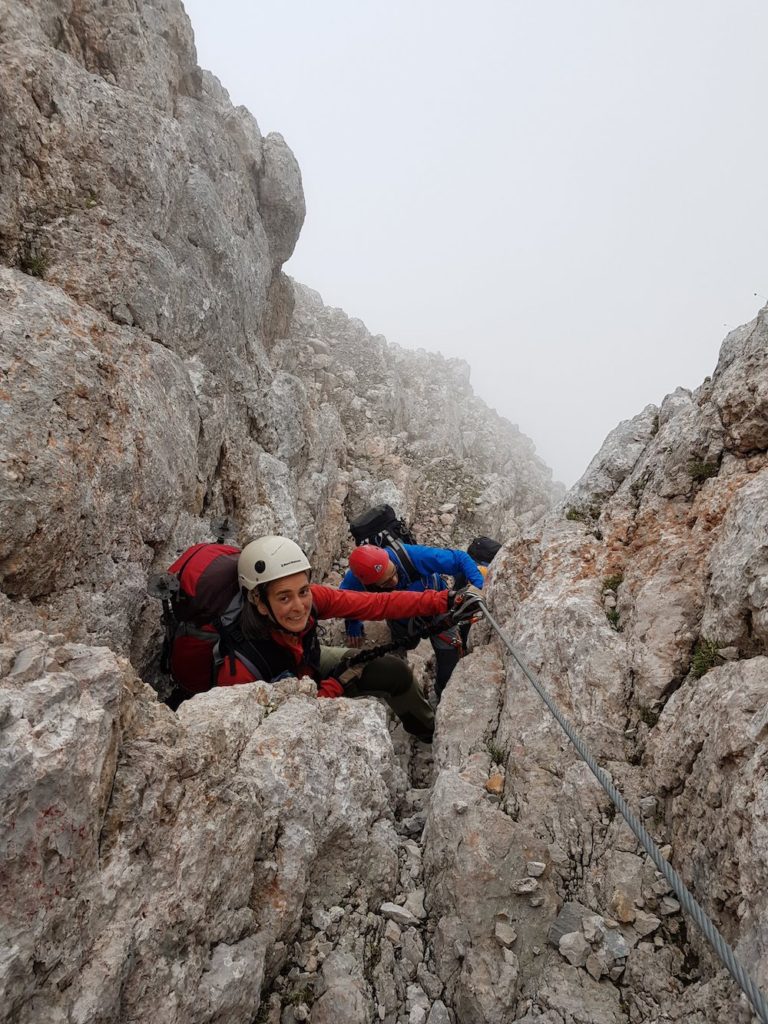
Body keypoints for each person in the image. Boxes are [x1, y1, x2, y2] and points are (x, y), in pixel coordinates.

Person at [217, 535, 465, 742]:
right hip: (282, 697)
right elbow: (284, 733)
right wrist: (334, 686)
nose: (299, 606)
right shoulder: (239, 671)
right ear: (258, 602)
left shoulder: (313, 599)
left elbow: (377, 604)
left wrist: (446, 600)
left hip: (305, 660)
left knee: (395, 672)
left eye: (303, 591)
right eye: (284, 597)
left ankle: (427, 731)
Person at [340, 542, 485, 702]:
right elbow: (346, 600)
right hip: (402, 618)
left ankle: (443, 695)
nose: (394, 581)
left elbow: (459, 558)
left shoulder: (412, 557)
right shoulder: (356, 579)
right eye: (386, 583)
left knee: (448, 662)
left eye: (394, 572)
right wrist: (352, 624)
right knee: (402, 647)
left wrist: (477, 587)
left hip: (438, 610)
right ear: (367, 583)